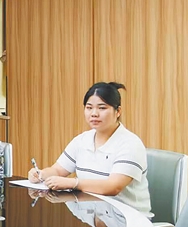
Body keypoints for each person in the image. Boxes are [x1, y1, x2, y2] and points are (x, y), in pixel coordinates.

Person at [27, 82, 152, 217]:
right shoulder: (82, 140)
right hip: (93, 214)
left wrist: (73, 183)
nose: (94, 114)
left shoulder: (130, 144)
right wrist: (41, 174)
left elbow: (113, 187)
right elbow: (57, 170)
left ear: (118, 111)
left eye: (102, 108)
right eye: (89, 108)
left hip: (130, 220)